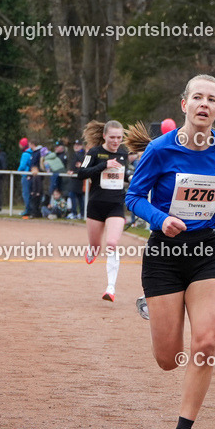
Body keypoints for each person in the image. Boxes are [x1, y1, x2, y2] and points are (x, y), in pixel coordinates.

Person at [124, 74, 215, 429]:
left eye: (211, 99)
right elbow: (133, 196)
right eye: (197, 97)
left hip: (203, 251)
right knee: (168, 360)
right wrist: (159, 219)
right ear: (184, 104)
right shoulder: (161, 150)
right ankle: (154, 307)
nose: (204, 104)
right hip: (164, 253)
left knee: (206, 342)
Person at [76, 120, 130, 301]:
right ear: (105, 136)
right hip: (96, 204)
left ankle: (110, 288)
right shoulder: (94, 152)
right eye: (112, 137)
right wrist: (103, 166)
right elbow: (81, 173)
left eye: (119, 138)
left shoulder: (124, 153)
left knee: (112, 243)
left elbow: (124, 174)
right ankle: (92, 250)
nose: (116, 141)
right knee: (96, 246)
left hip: (115, 204)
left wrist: (132, 178)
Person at [17, 137, 32, 215]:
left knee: (26, 193)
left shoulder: (25, 154)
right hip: (30, 176)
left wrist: (18, 171)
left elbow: (22, 166)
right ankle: (29, 209)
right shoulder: (31, 152)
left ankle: (27, 209)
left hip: (26, 175)